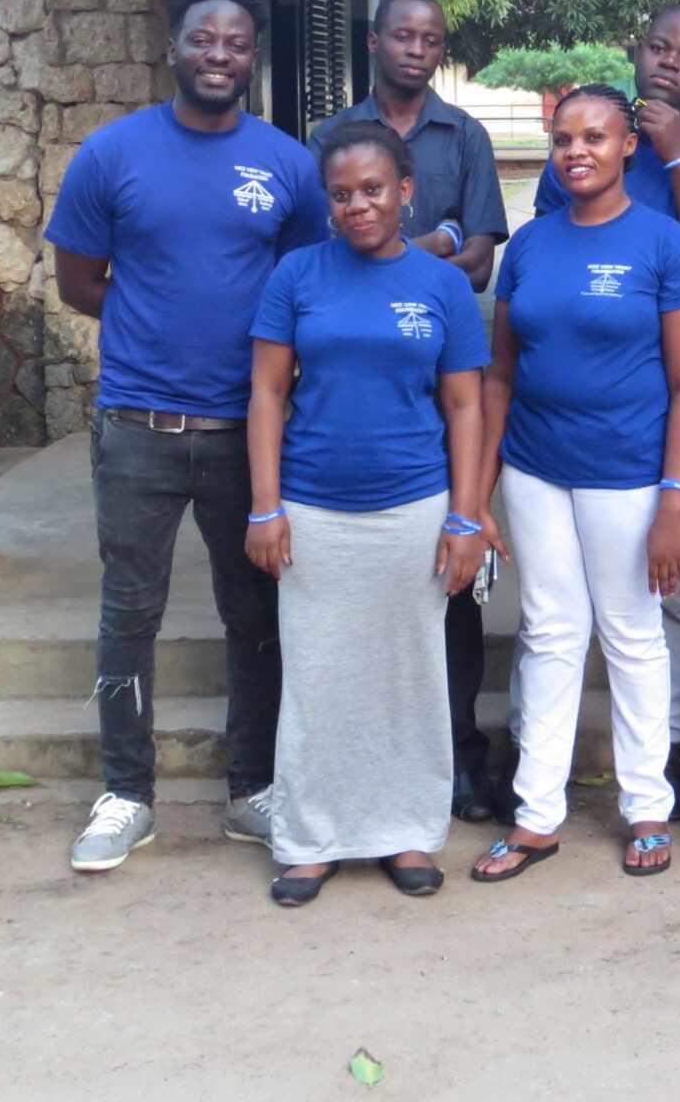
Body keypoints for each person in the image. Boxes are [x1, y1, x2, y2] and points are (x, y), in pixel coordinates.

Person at [46, 0, 324, 874]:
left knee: (256, 614)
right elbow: (79, 282)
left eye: (235, 43)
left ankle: (252, 790)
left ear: (253, 58)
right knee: (129, 613)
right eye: (203, 38)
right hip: (137, 427)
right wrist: (154, 321)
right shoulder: (110, 154)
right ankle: (126, 794)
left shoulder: (287, 164)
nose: (218, 54)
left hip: (248, 433)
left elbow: (302, 287)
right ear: (172, 48)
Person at [244, 122, 491, 907]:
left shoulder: (442, 284)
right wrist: (265, 505)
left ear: (406, 191)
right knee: (317, 677)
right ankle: (310, 838)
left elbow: (466, 406)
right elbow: (266, 393)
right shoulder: (297, 275)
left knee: (409, 676)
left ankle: (406, 830)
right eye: (342, 193)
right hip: (313, 509)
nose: (359, 205)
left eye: (374, 189)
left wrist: (466, 517)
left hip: (414, 509)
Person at [474, 85, 680, 883]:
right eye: (563, 139)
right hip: (535, 470)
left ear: (628, 146)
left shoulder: (666, 245)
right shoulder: (531, 246)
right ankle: (536, 815)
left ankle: (647, 806)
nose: (576, 153)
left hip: (629, 475)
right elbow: (500, 376)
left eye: (595, 138)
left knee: (632, 633)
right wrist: (480, 492)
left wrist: (674, 500)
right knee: (549, 632)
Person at [532, 2, 680, 818]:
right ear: (638, 53)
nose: (668, 62)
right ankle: (543, 758)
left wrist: (675, 155)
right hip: (588, 408)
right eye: (658, 47)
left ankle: (668, 741)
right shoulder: (589, 141)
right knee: (566, 605)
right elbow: (549, 260)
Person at [308, 0, 512, 825]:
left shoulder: (465, 136)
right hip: (353, 384)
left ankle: (459, 757)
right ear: (374, 41)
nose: (418, 49)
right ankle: (355, 769)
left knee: (447, 581)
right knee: (354, 599)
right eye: (403, 35)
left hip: (438, 370)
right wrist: (431, 243)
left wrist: (410, 255)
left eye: (431, 38)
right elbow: (325, 250)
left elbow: (480, 261)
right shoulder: (331, 136)